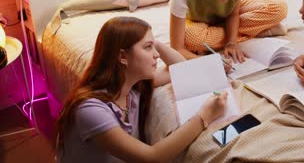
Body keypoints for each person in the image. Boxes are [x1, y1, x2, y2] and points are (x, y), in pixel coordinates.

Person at [56, 16, 228, 163]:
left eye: (153, 47)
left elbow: (182, 68)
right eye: (148, 47)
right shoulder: (90, 110)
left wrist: (154, 42)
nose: (157, 55)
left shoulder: (133, 89)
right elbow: (151, 157)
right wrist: (204, 116)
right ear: (123, 56)